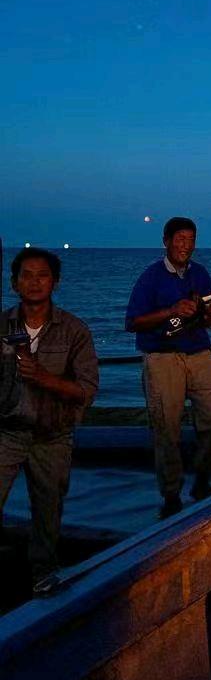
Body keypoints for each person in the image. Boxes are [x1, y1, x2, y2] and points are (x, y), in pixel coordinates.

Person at [0, 249, 98, 595]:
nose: (35, 282)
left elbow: (86, 390)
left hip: (53, 435)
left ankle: (43, 577)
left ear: (54, 282)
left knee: (48, 513)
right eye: (26, 275)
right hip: (7, 433)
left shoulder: (74, 331)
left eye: (42, 275)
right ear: (14, 283)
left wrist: (43, 377)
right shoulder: (2, 326)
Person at [126, 216, 211, 519]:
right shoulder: (151, 277)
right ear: (166, 241)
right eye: (180, 239)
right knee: (166, 429)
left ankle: (202, 481)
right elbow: (132, 322)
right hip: (162, 357)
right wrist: (171, 310)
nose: (186, 245)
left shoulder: (201, 274)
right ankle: (171, 494)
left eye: (191, 239)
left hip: (199, 353)